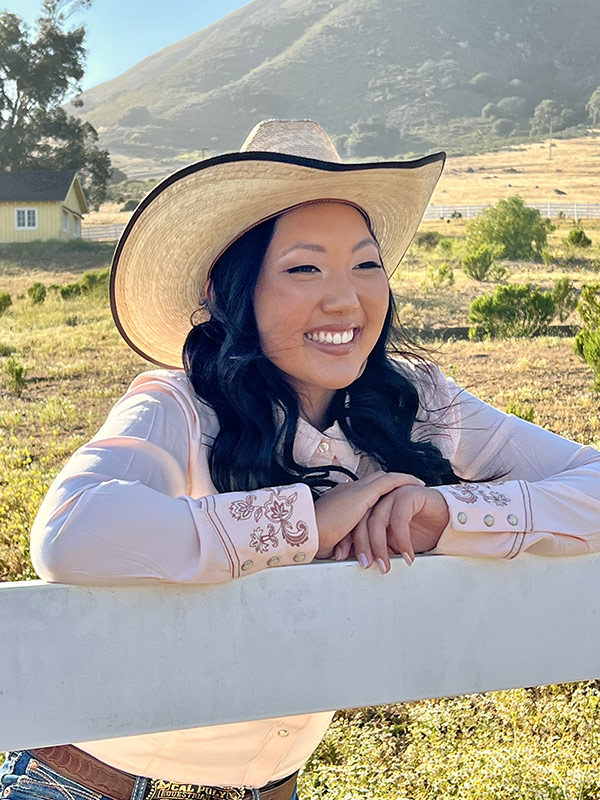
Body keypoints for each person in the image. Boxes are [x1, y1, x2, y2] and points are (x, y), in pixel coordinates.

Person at [4, 119, 600, 800]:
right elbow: (71, 530)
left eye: (366, 265)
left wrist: (446, 511)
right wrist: (306, 524)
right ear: (227, 290)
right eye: (304, 268)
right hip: (92, 780)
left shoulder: (418, 399)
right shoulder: (180, 407)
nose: (345, 298)